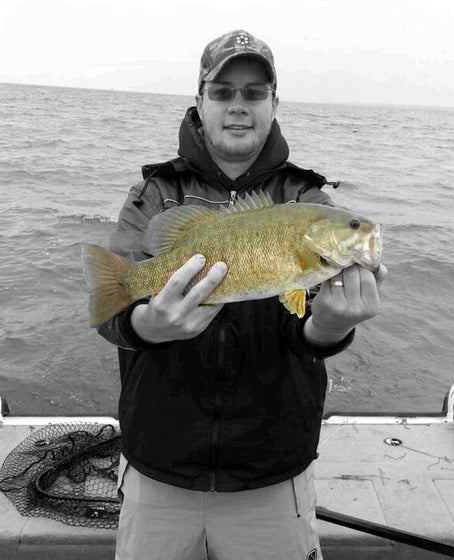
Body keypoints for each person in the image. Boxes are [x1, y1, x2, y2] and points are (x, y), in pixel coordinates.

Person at [97, 29, 387, 560]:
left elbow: (304, 328)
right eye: (223, 91)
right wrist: (146, 326)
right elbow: (113, 316)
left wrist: (329, 327)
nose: (238, 105)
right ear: (200, 101)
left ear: (274, 104)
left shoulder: (306, 197)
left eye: (254, 93)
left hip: (272, 474)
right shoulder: (155, 193)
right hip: (159, 466)